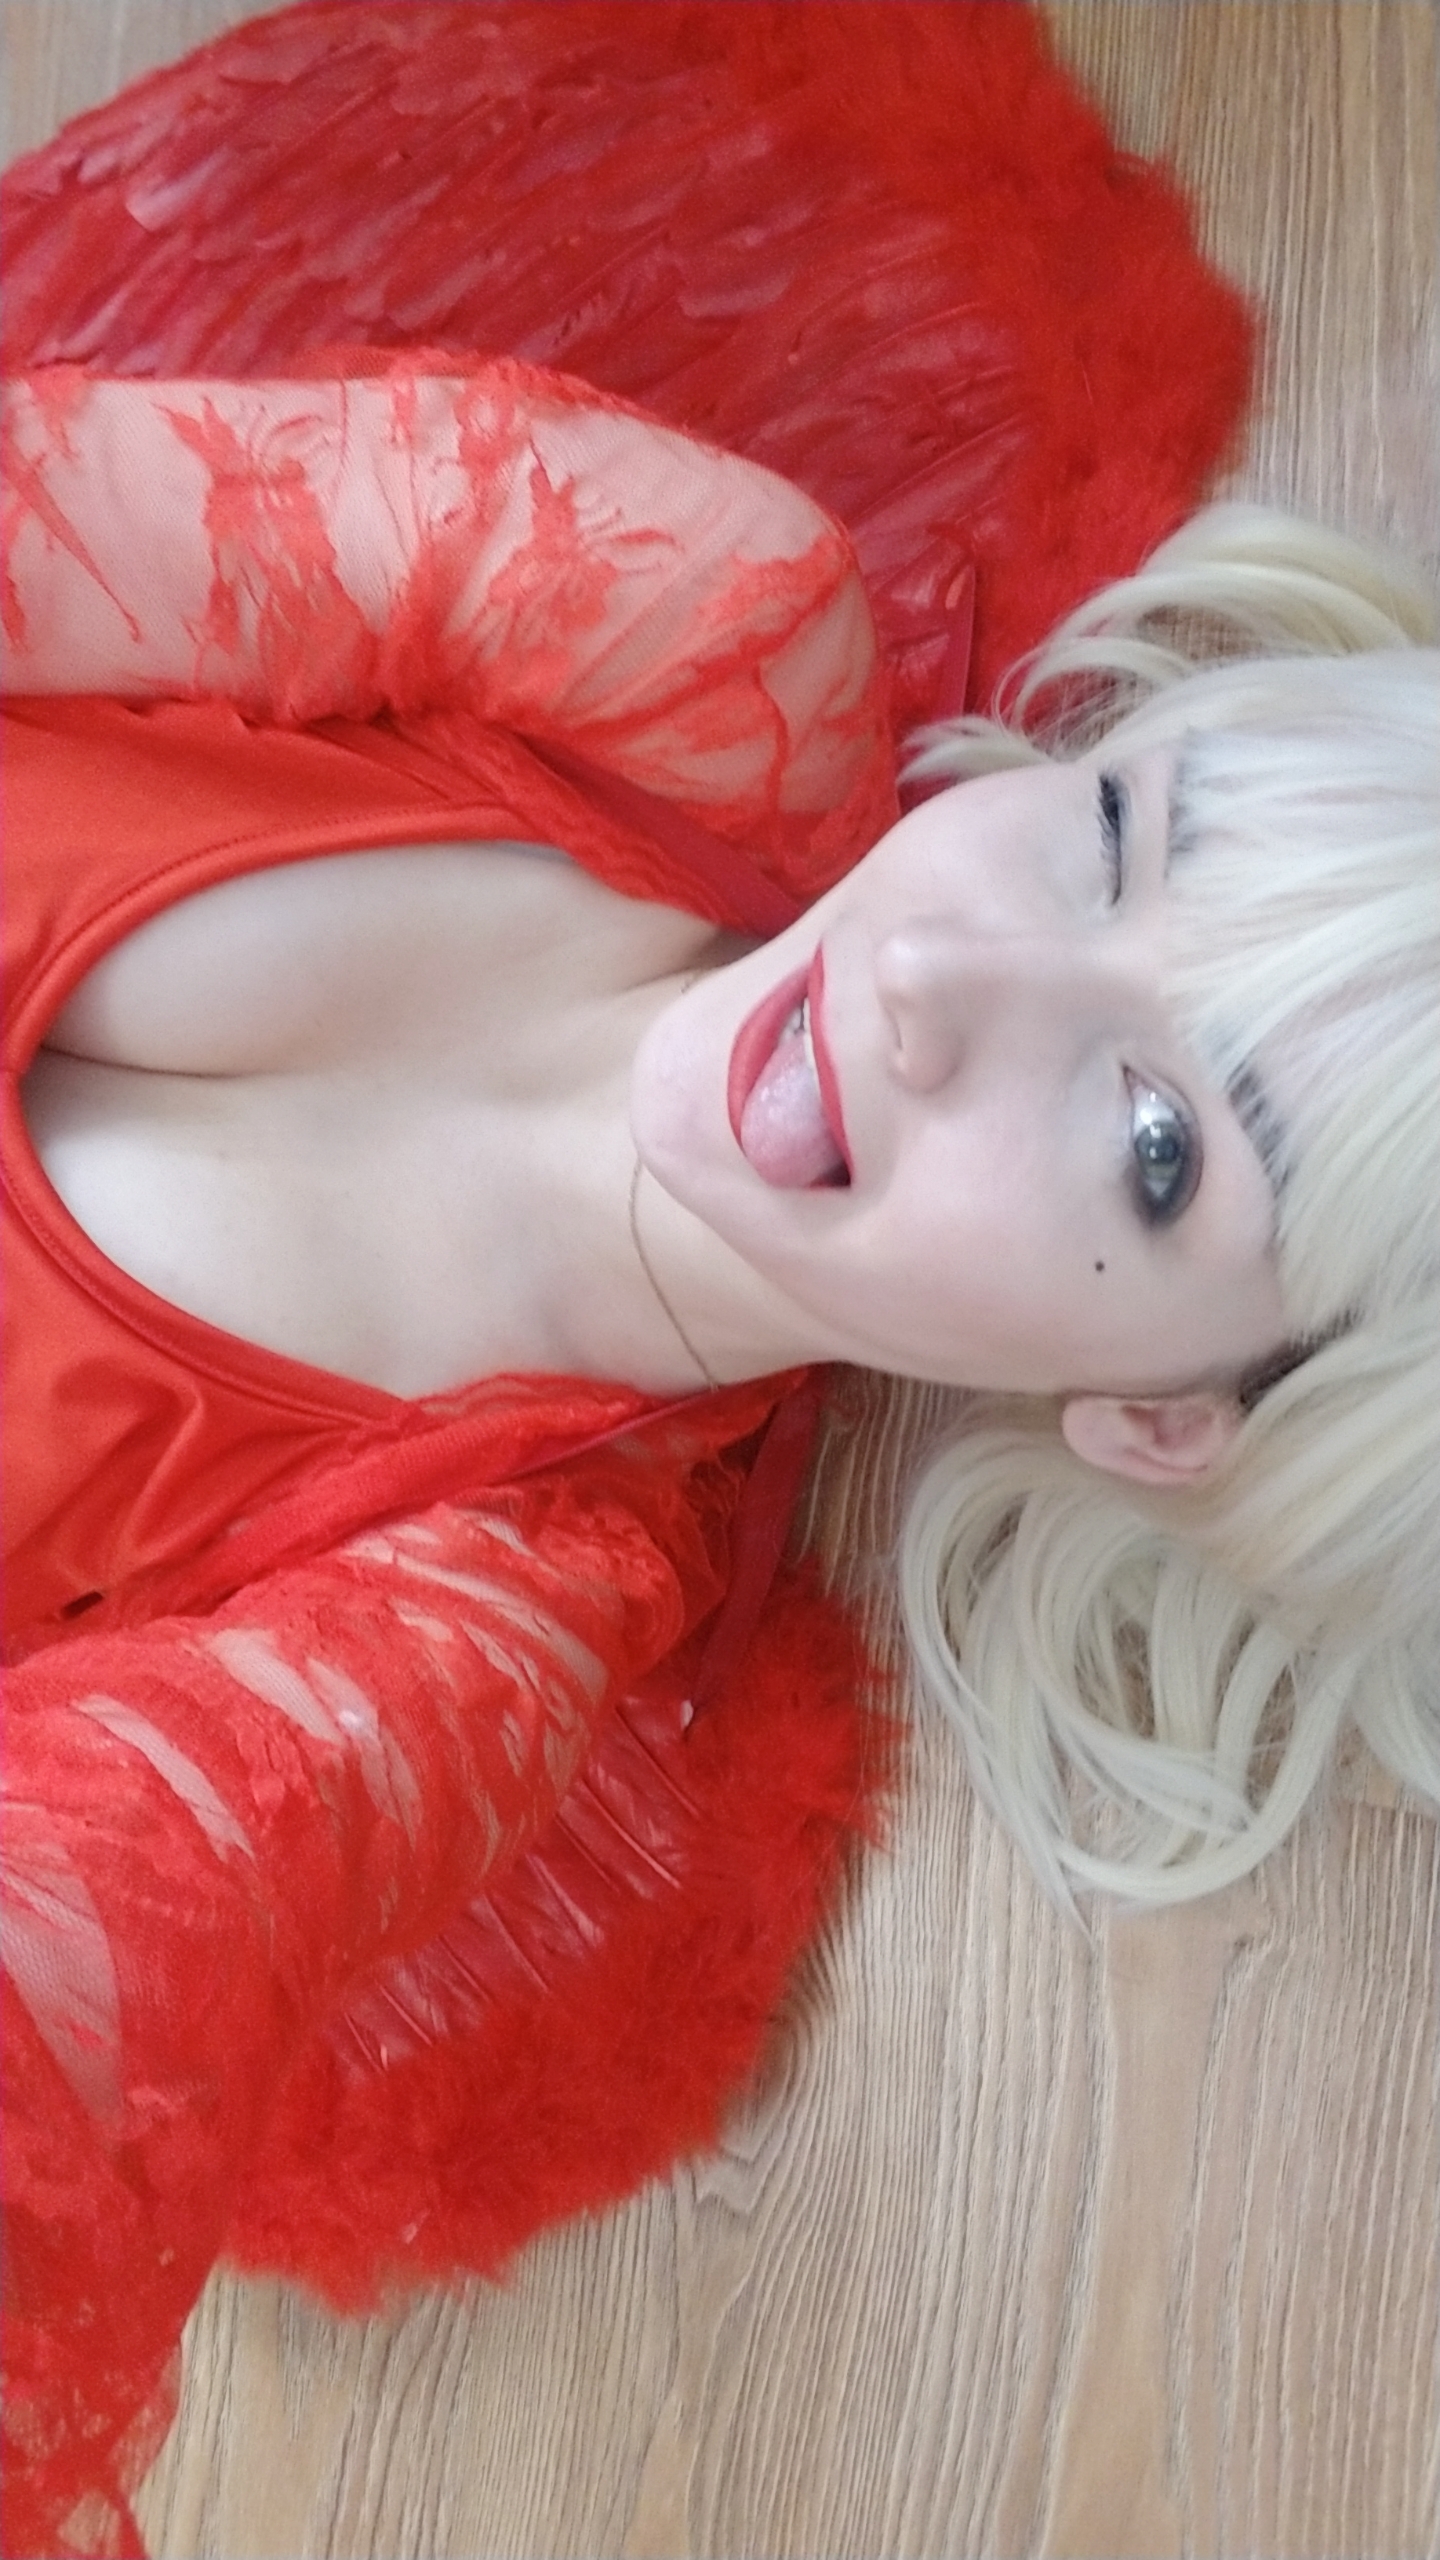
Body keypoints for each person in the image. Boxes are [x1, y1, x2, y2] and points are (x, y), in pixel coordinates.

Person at [2, 10, 1437, 2557]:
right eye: (1120, 832)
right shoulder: (692, 623)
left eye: (1154, 1141)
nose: (936, 982)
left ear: (1164, 1413)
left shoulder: (485, 1613)